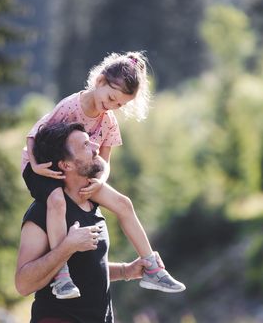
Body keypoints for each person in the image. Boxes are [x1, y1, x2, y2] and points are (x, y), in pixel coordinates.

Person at [20, 51, 185, 299]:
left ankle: (152, 266)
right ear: (99, 82)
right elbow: (33, 135)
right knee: (56, 202)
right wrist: (35, 165)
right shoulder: (70, 106)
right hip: (42, 168)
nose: (112, 106)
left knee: (123, 204)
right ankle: (61, 275)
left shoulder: (108, 122)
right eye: (110, 98)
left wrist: (101, 180)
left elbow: (104, 162)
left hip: (80, 172)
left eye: (119, 105)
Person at [15, 122, 166, 322]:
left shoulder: (93, 204)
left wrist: (125, 270)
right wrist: (67, 247)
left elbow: (86, 269)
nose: (96, 148)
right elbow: (23, 284)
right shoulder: (43, 211)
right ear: (65, 165)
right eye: (86, 145)